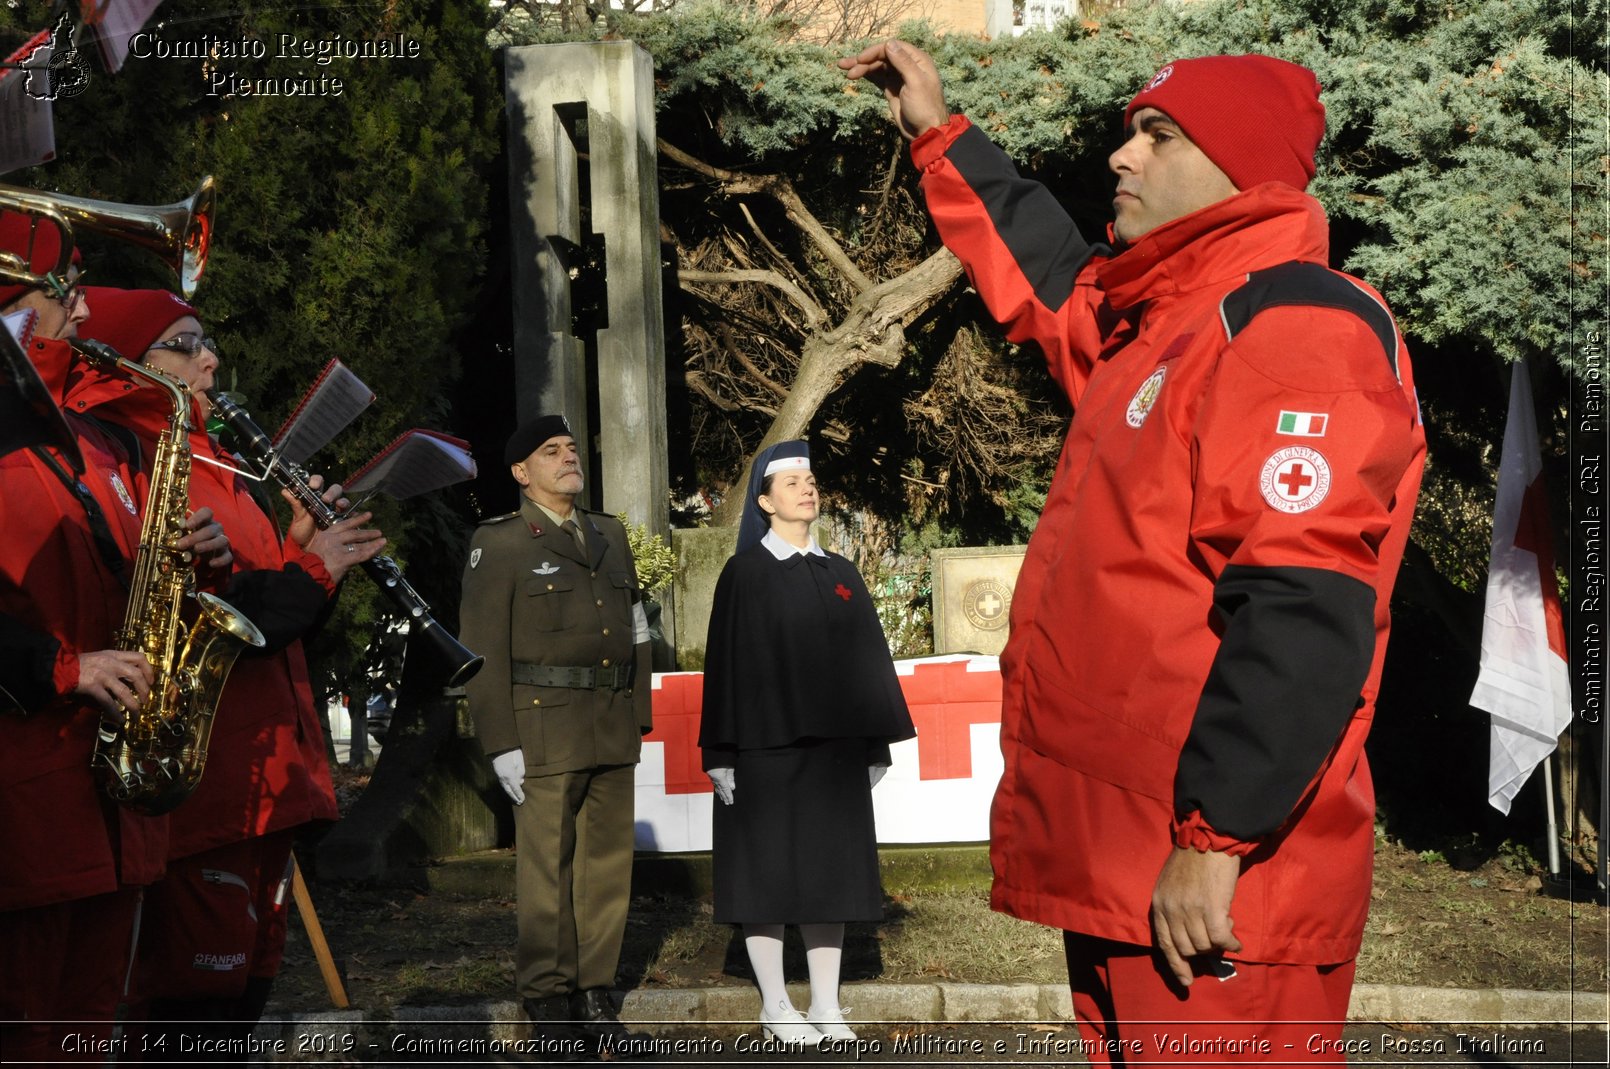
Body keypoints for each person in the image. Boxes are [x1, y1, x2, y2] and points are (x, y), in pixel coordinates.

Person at [841, 44, 1427, 1061]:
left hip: (1222, 891)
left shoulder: (1291, 322)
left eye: (1157, 137)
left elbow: (1303, 606)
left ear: (1243, 171)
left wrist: (1214, 840)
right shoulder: (1157, 329)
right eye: (1129, 131)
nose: (1122, 156)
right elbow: (1047, 279)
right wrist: (938, 134)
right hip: (1136, 875)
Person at [65, 286, 386, 1053]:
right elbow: (203, 612)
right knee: (191, 1007)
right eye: (185, 344)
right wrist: (312, 571)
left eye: (205, 342)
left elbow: (263, 610)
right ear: (135, 361)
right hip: (207, 780)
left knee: (243, 998)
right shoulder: (124, 453)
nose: (208, 359)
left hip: (270, 773)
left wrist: (304, 551)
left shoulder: (219, 461)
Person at [0, 212, 231, 1060]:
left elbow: (124, 588)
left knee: (91, 1037)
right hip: (29, 806)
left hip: (115, 809)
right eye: (66, 296)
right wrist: (66, 667)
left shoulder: (104, 441)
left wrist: (189, 561)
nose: (87, 316)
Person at [698, 440, 915, 1047]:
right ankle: (774, 1004)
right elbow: (723, 667)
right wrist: (719, 752)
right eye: (792, 482)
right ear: (764, 502)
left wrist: (877, 743)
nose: (807, 488)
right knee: (764, 878)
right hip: (763, 751)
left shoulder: (841, 572)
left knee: (831, 878)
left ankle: (825, 1004)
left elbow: (871, 661)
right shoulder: (744, 574)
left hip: (835, 755)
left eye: (811, 479)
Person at [458, 414, 653, 1053]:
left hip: (609, 721)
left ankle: (594, 989)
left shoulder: (608, 534)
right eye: (552, 451)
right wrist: (499, 741)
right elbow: (481, 649)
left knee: (606, 865)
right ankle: (546, 995)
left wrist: (639, 712)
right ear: (521, 472)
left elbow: (636, 628)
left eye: (572, 448)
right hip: (541, 726)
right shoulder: (505, 542)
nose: (569, 457)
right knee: (547, 867)